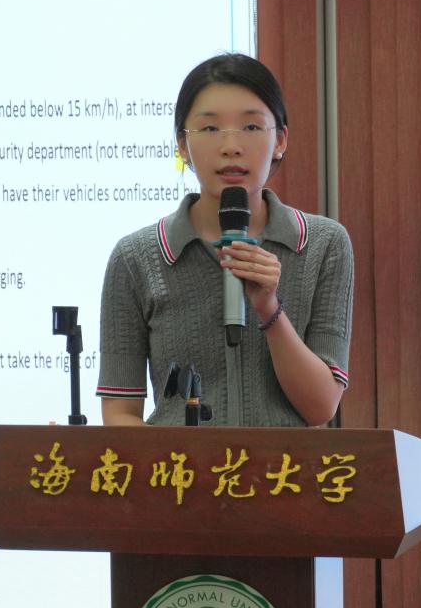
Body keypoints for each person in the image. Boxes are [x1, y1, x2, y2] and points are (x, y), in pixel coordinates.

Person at [96, 53, 353, 427]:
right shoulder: (136, 257)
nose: (231, 145)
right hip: (179, 466)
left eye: (251, 127)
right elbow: (120, 414)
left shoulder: (323, 245)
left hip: (282, 466)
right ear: (183, 145)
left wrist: (268, 308)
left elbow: (321, 408)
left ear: (280, 140)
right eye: (210, 128)